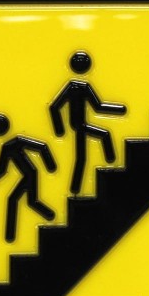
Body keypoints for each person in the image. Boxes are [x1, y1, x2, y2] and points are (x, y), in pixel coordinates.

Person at [50, 51, 126, 194]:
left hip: (78, 125)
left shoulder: (76, 87)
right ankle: (110, 162)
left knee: (82, 157)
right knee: (97, 142)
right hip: (80, 126)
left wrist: (118, 110)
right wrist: (59, 129)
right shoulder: (78, 87)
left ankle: (76, 187)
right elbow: (55, 107)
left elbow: (96, 107)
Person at [0, 114, 56, 242]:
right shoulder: (8, 146)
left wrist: (51, 165)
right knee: (30, 202)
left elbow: (42, 147)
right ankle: (49, 215)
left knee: (14, 200)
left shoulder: (15, 142)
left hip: (30, 174)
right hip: (30, 174)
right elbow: (1, 170)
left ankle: (11, 235)